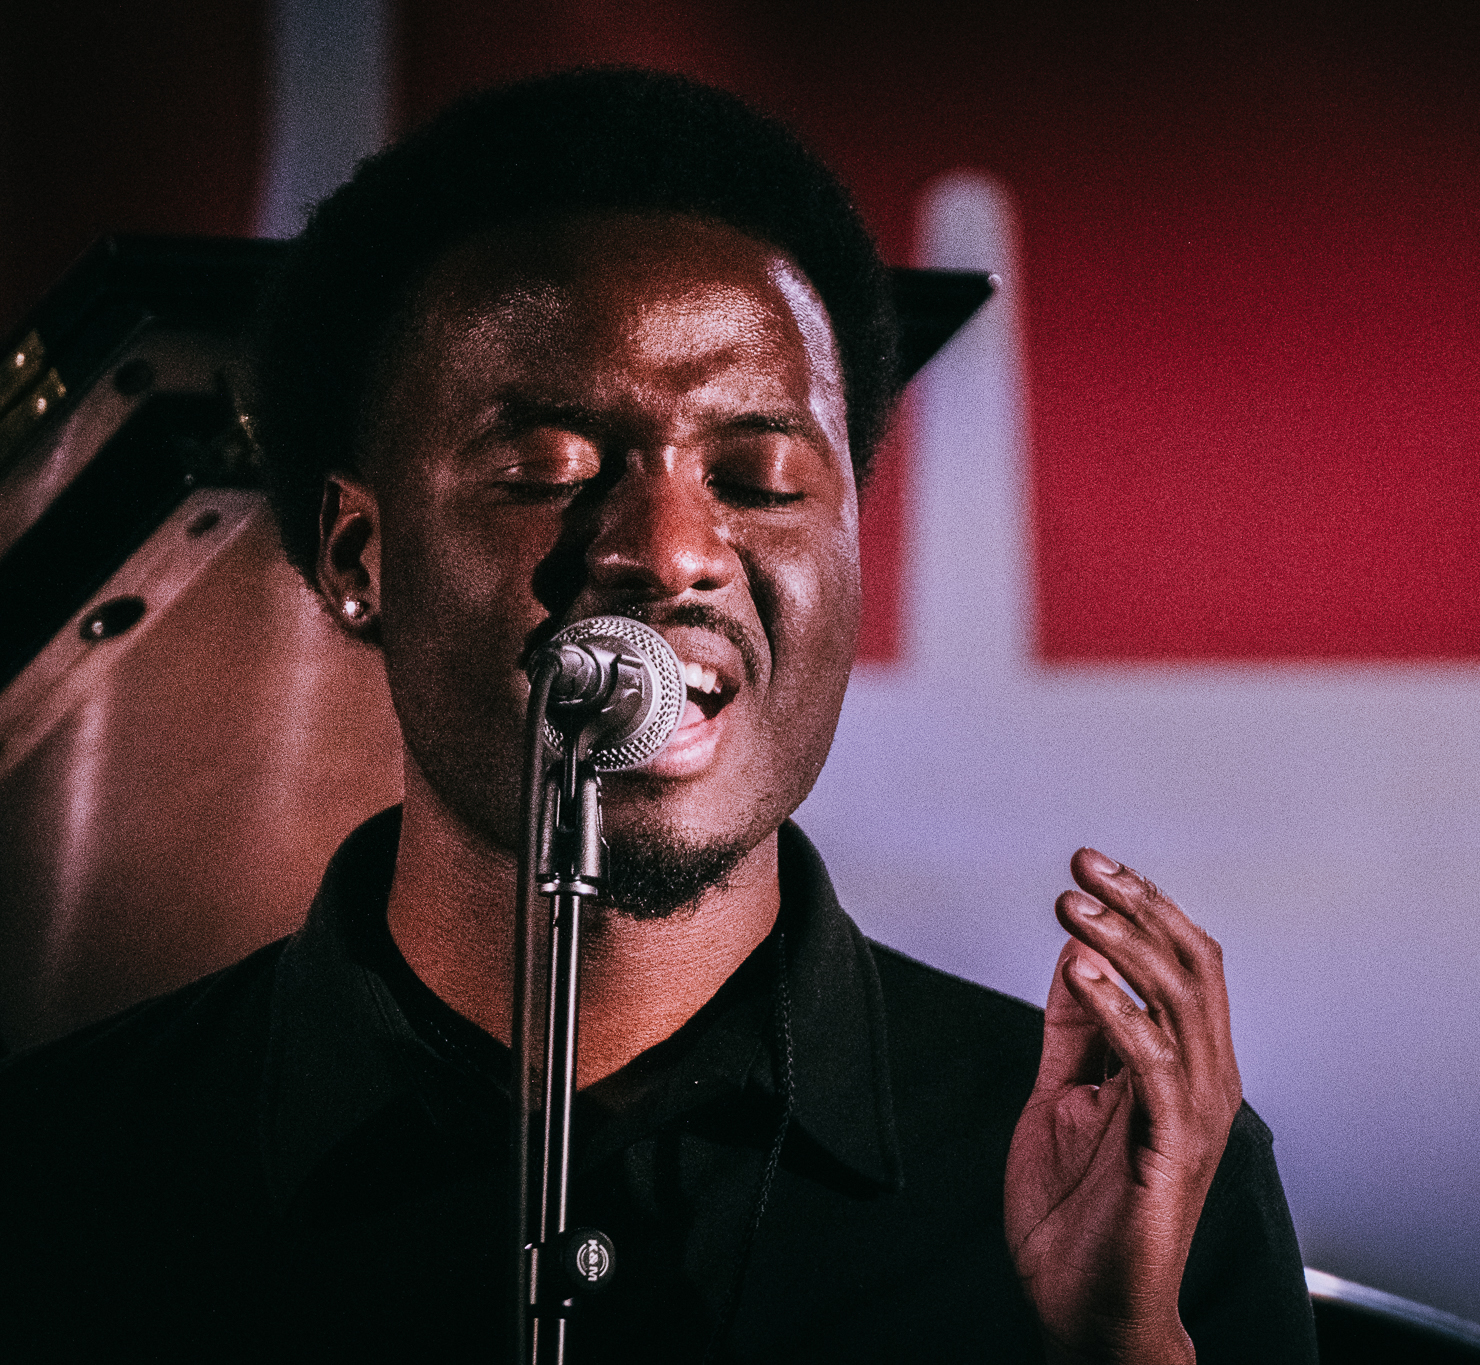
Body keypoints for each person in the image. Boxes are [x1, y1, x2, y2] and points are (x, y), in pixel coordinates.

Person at [0, 68, 1317, 1362]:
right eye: (546, 469)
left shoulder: (1126, 1179)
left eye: (760, 477)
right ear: (359, 557)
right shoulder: (65, 1173)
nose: (673, 550)